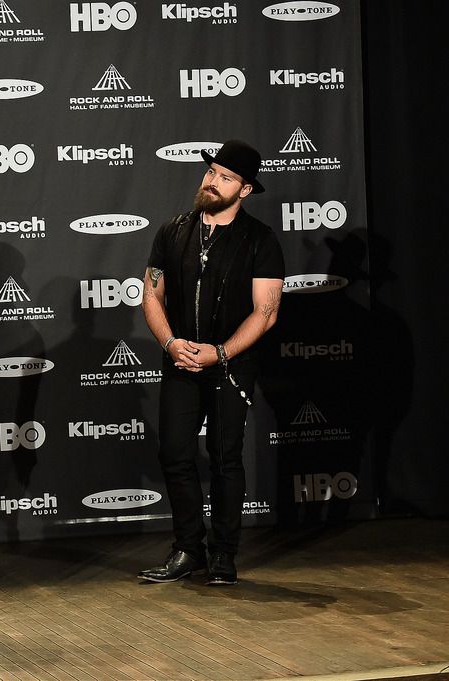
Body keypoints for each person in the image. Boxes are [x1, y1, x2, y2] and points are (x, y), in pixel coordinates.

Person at [139, 140, 285, 586]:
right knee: (175, 454)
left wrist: (219, 352)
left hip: (230, 365)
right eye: (212, 172)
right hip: (181, 360)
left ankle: (223, 553)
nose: (212, 181)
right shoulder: (173, 231)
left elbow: (266, 311)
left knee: (225, 458)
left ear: (245, 190)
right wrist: (170, 343)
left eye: (225, 177)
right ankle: (188, 549)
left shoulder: (260, 240)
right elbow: (151, 292)